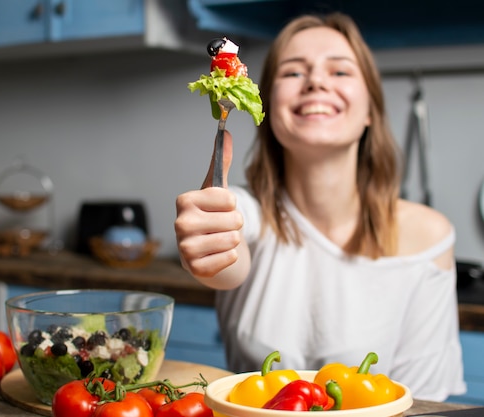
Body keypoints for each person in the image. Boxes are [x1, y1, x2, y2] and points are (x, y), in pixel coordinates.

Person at [175, 12, 466, 401]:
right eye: (293, 73)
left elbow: (427, 400)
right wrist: (211, 245)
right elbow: (227, 259)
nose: (315, 81)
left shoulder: (429, 237)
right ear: (268, 106)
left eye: (341, 72)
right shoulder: (247, 211)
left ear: (369, 111)